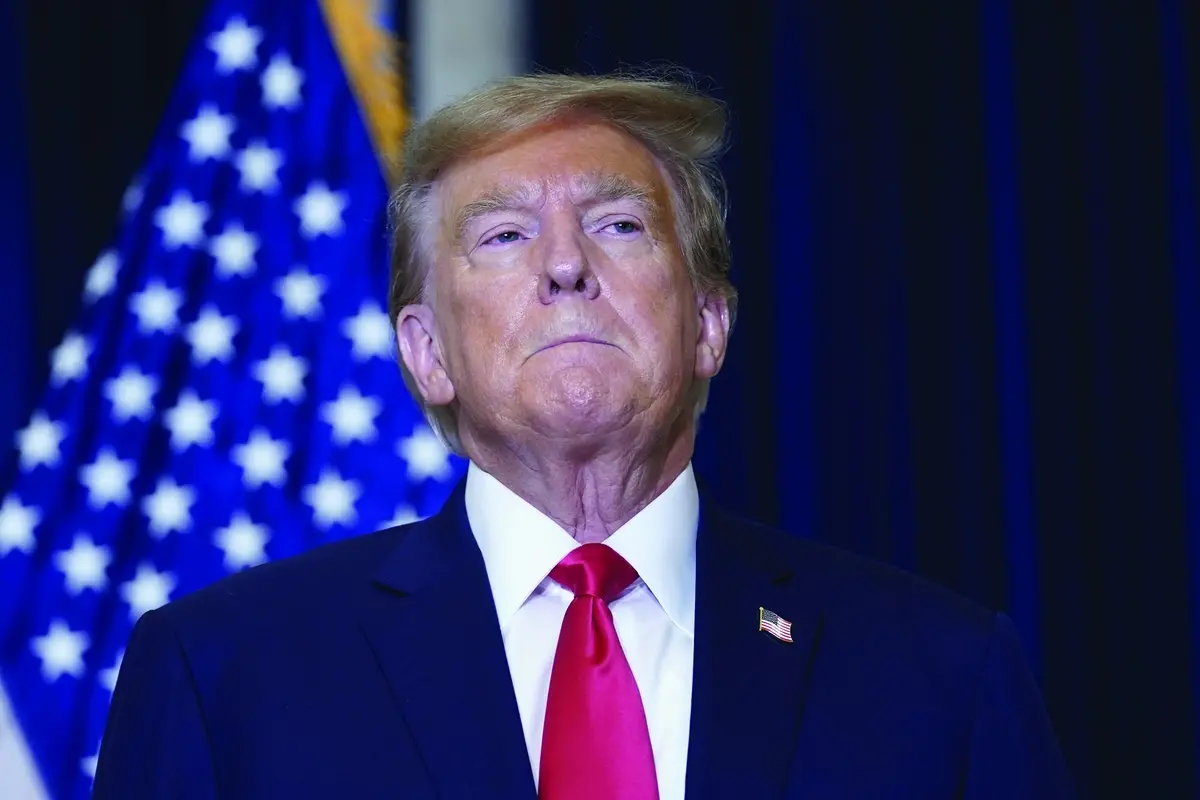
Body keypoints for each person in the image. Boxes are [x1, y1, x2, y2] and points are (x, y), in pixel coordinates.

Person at [93, 73, 1074, 799]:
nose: (565, 265)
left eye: (618, 225)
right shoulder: (222, 672)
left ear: (708, 324)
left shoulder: (943, 674)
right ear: (427, 352)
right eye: (505, 236)